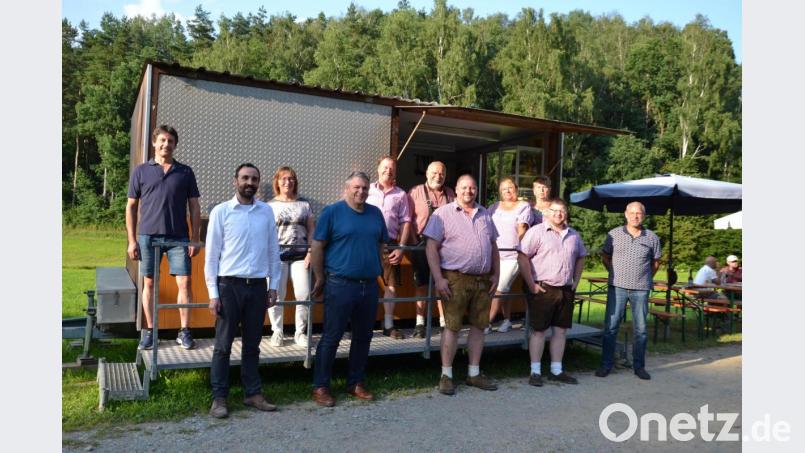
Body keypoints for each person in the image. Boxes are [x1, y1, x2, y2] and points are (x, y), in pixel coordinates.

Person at [205, 163, 282, 418]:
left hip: (258, 287)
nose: (250, 182)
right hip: (229, 287)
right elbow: (212, 257)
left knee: (252, 344)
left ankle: (252, 393)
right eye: (245, 178)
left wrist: (273, 287)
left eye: (254, 179)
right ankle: (219, 398)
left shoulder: (266, 213)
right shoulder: (221, 212)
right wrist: (213, 294)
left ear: (259, 183)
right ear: (235, 180)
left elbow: (273, 251)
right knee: (223, 346)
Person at [310, 171, 389, 407]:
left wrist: (381, 273)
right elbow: (317, 245)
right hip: (339, 285)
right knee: (331, 337)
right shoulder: (332, 212)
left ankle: (355, 382)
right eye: (356, 187)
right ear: (347, 188)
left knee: (363, 337)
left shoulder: (375, 214)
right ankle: (321, 386)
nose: (361, 192)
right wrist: (320, 277)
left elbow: (381, 244)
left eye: (365, 188)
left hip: (369, 286)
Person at [424, 174, 500, 396]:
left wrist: (497, 274)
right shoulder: (442, 214)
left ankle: (474, 373)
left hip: (483, 280)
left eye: (473, 187)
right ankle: (446, 375)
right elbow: (431, 248)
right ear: (455, 190)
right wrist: (438, 278)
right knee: (452, 327)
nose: (469, 191)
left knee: (479, 326)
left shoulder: (485, 214)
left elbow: (494, 246)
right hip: (455, 278)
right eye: (464, 187)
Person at [126, 125, 201, 351]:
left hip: (179, 237)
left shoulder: (185, 172)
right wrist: (132, 240)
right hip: (148, 236)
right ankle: (150, 332)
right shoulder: (140, 171)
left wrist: (195, 238)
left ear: (175, 145)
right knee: (149, 282)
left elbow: (195, 207)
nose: (166, 144)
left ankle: (184, 331)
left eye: (170, 141)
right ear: (154, 143)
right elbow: (130, 207)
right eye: (162, 140)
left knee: (185, 282)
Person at [517, 199, 587, 386]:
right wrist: (531, 283)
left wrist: (576, 281)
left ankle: (556, 370)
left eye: (562, 210)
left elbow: (581, 257)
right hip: (543, 288)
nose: (558, 214)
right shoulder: (536, 232)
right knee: (539, 331)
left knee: (560, 331)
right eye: (554, 210)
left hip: (565, 289)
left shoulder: (574, 235)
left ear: (566, 213)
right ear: (546, 213)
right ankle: (535, 371)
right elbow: (522, 257)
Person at [596, 201, 661, 381]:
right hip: (617, 287)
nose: (635, 216)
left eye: (639, 213)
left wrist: (644, 276)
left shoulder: (652, 237)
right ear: (625, 214)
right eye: (632, 213)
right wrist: (615, 273)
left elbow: (656, 262)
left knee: (640, 329)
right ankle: (606, 365)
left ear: (644, 216)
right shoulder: (614, 234)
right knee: (610, 327)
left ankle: (639, 366)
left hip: (641, 289)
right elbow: (605, 256)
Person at [267, 166, 315, 347]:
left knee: (303, 295)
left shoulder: (304, 205)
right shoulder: (269, 206)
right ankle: (277, 331)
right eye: (283, 179)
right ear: (277, 182)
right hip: (277, 257)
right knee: (277, 296)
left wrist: (310, 252)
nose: (287, 182)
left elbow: (311, 229)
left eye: (291, 179)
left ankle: (300, 333)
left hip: (300, 257)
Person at [407, 161, 455, 338]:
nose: (438, 176)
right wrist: (412, 243)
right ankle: (420, 324)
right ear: (427, 173)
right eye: (434, 173)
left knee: (442, 284)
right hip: (420, 245)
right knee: (421, 284)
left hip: (444, 248)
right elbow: (406, 219)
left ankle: (443, 323)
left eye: (442, 173)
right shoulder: (415, 192)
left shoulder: (451, 194)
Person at [366, 156, 412, 339]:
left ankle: (388, 324)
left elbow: (406, 222)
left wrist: (401, 248)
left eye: (392, 168)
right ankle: (362, 324)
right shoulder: (366, 190)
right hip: (366, 244)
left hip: (390, 244)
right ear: (378, 169)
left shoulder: (401, 195)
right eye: (385, 167)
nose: (388, 171)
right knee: (363, 283)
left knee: (390, 286)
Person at [486, 177, 531, 334]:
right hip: (493, 254)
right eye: (504, 188)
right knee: (503, 288)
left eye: (510, 187)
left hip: (512, 255)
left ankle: (486, 322)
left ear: (516, 189)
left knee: (500, 287)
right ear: (499, 191)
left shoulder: (523, 206)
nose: (507, 191)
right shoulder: (493, 207)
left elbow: (522, 228)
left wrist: (520, 248)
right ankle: (506, 320)